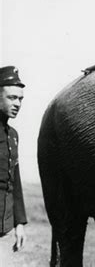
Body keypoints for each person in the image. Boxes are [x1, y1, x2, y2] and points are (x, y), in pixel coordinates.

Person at [0, 66, 27, 255]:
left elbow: (14, 181)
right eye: (12, 98)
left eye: (20, 99)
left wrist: (19, 223)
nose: (17, 103)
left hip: (5, 227)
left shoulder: (13, 135)